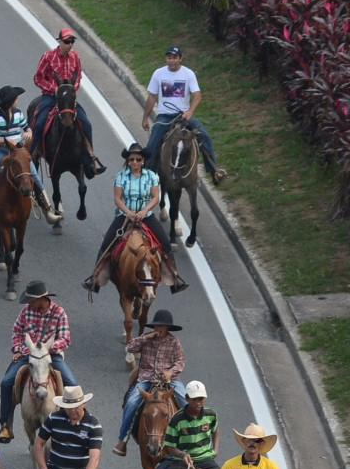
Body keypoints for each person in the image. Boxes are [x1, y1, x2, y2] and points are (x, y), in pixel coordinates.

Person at [84, 143, 188, 295]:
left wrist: (144, 211)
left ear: (143, 160)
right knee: (106, 244)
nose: (134, 162)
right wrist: (128, 213)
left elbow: (155, 197)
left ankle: (175, 279)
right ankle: (95, 280)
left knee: (165, 243)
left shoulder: (152, 176)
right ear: (128, 160)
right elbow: (117, 199)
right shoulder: (121, 176)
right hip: (124, 216)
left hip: (146, 216)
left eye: (138, 159)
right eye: (131, 159)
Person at [0, 279, 77, 441]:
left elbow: (65, 339)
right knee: (6, 383)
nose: (30, 303)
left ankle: (75, 424)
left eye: (32, 300)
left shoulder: (59, 313)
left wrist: (49, 348)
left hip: (51, 354)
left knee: (72, 385)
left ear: (42, 298)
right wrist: (18, 349)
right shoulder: (26, 312)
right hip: (28, 354)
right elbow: (17, 331)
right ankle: (5, 424)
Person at [142, 43, 223, 183]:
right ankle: (147, 177)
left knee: (205, 136)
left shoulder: (188, 74)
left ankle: (214, 171)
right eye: (169, 57)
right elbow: (151, 97)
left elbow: (197, 95)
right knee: (152, 145)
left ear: (180, 58)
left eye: (174, 57)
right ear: (166, 59)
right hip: (164, 116)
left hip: (183, 115)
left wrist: (190, 111)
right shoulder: (158, 73)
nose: (171, 60)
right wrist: (145, 118)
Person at [0, 82, 53, 223]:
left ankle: (47, 208)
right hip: (2, 151)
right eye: (16, 98)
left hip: (18, 150)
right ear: (10, 102)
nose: (18, 100)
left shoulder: (18, 113)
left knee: (34, 175)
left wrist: (29, 132)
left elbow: (26, 127)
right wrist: (6, 140)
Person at [115, 308, 187, 455]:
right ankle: (122, 440)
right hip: (146, 378)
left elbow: (180, 362)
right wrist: (145, 338)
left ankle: (190, 438)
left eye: (161, 326)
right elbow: (129, 347)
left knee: (186, 401)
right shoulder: (146, 338)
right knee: (132, 402)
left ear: (167, 327)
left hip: (170, 380)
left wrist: (169, 372)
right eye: (156, 326)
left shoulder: (174, 342)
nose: (158, 328)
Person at [30, 26, 96, 159]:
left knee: (86, 124)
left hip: (68, 99)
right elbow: (37, 78)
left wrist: (72, 88)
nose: (70, 45)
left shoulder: (75, 56)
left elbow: (78, 75)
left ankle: (90, 159)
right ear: (60, 41)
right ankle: (31, 155)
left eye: (72, 41)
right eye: (67, 42)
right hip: (51, 96)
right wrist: (52, 89)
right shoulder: (48, 56)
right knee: (38, 124)